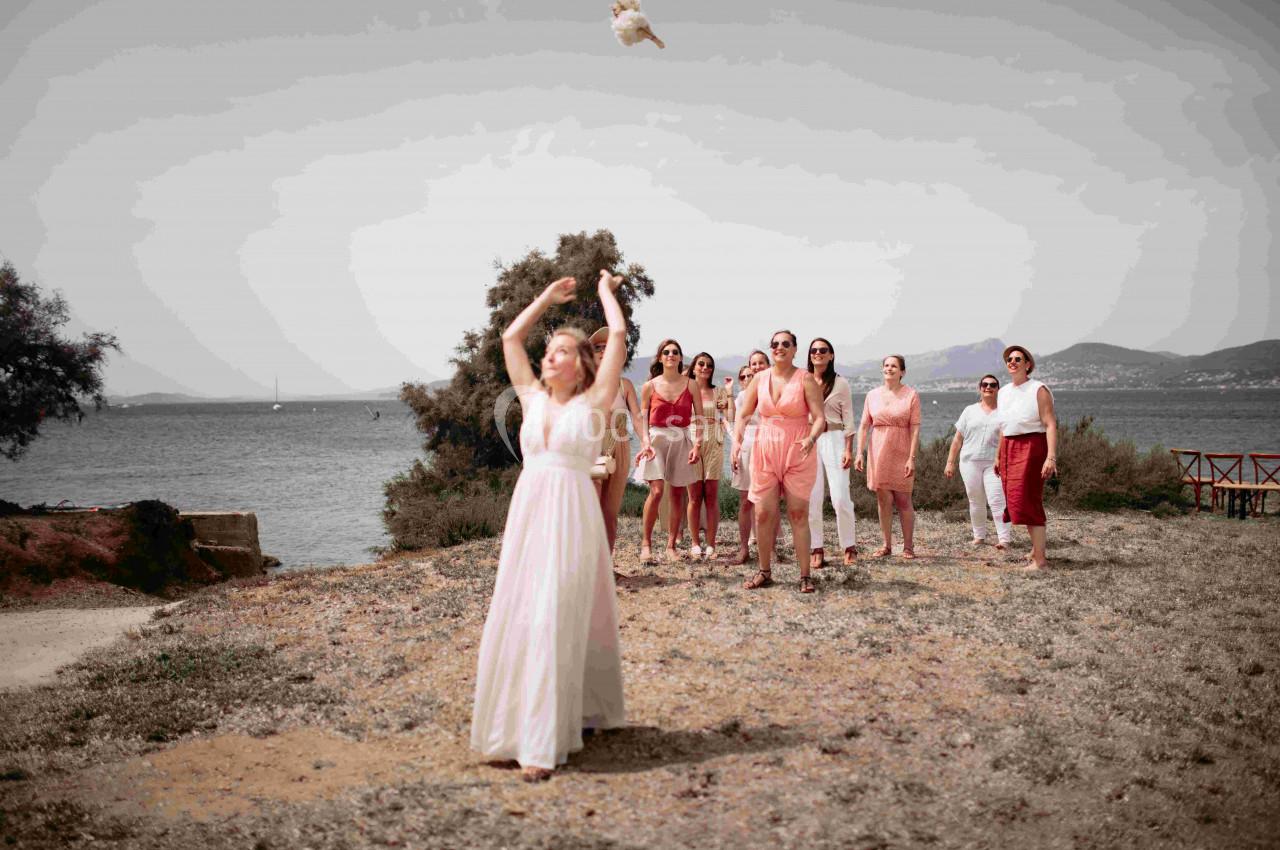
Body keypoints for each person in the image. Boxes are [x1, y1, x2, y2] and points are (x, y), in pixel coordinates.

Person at [471, 271, 627, 783]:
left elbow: (617, 335)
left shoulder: (594, 401)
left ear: (581, 364)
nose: (549, 357)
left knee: (555, 612)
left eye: (561, 351)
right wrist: (544, 299)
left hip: (572, 515)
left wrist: (604, 292)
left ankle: (542, 741)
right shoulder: (532, 399)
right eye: (549, 352)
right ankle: (510, 730)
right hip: (530, 513)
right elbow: (510, 338)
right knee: (522, 611)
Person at [732, 330, 826, 593]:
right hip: (765, 449)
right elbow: (743, 414)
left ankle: (805, 575)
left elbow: (820, 418)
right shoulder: (760, 379)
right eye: (775, 344)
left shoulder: (806, 379)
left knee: (798, 514)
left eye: (786, 344)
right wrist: (737, 442)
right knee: (763, 513)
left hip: (798, 450)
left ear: (795, 349)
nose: (779, 347)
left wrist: (811, 438)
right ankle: (764, 572)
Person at [634, 339, 703, 563]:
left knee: (677, 494)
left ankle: (671, 546)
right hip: (656, 439)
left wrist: (697, 444)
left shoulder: (691, 385)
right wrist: (645, 442)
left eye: (675, 352)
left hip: (681, 438)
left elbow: (699, 418)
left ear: (680, 357)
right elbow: (643, 419)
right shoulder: (649, 386)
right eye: (666, 352)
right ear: (660, 357)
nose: (671, 355)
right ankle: (646, 544)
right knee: (656, 491)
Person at [995, 345, 1058, 571]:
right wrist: (998, 456)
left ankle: (1040, 561)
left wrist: (1051, 457)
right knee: (1017, 502)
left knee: (1028, 500)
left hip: (1031, 447)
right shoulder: (1003, 392)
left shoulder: (1038, 389)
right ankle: (1035, 549)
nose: (1012, 362)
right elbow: (1004, 427)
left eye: (1017, 359)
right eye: (1009, 359)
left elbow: (1050, 424)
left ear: (1028, 364)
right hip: (1009, 448)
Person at [855, 355, 921, 559]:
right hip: (878, 450)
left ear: (902, 371)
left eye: (894, 366)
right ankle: (886, 545)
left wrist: (911, 457)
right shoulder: (872, 395)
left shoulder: (911, 395)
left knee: (903, 499)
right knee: (883, 499)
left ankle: (908, 546)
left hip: (902, 450)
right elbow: (864, 426)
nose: (889, 368)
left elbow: (915, 428)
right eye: (886, 365)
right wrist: (859, 453)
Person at [588, 328, 643, 554]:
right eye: (598, 348)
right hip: (592, 444)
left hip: (620, 446)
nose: (603, 352)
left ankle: (606, 565)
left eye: (608, 348)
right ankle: (587, 565)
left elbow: (637, 417)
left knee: (610, 512)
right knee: (590, 508)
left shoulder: (624, 385)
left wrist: (646, 443)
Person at [805, 338, 857, 568]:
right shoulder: (803, 380)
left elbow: (849, 419)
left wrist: (848, 449)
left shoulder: (840, 383)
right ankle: (816, 547)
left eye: (823, 350)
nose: (818, 353)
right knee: (812, 498)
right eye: (814, 350)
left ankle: (849, 546)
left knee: (840, 497)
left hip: (835, 439)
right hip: (810, 440)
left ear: (831, 355)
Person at [944, 375, 1011, 549]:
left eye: (993, 385)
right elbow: (957, 439)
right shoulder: (969, 411)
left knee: (997, 500)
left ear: (998, 389)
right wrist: (950, 462)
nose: (988, 387)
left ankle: (1004, 540)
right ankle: (979, 537)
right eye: (985, 384)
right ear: (980, 388)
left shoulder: (1004, 412)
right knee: (975, 500)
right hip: (969, 462)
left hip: (994, 464)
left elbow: (1008, 439)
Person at [686, 352, 729, 561]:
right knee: (694, 496)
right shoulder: (685, 391)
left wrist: (729, 398)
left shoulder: (719, 392)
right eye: (701, 364)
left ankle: (711, 544)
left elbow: (729, 417)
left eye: (709, 365)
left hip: (715, 441)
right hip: (691, 440)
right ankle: (695, 543)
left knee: (711, 495)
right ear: (693, 367)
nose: (705, 368)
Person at [728, 351, 770, 565]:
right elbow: (739, 423)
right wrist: (734, 449)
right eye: (753, 363)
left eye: (761, 363)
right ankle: (744, 548)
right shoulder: (743, 396)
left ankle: (770, 549)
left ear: (768, 365)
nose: (757, 367)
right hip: (747, 445)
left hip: (771, 444)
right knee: (745, 500)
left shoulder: (775, 390)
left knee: (769, 500)